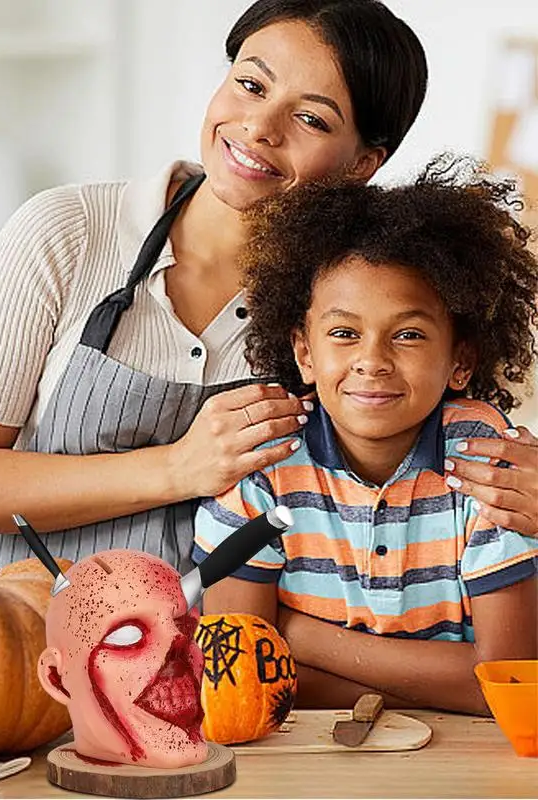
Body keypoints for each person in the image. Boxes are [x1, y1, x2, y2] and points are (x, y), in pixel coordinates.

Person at [0, 0, 538, 575]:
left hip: (246, 674)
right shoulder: (69, 235)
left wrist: (518, 477)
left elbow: (422, 448)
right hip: (41, 651)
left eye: (312, 119)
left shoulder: (346, 302)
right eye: (250, 84)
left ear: (362, 164)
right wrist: (179, 468)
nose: (260, 127)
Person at [193, 154, 538, 715]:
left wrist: (300, 637)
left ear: (461, 360)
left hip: (459, 765)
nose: (371, 361)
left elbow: (505, 685)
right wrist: (445, 686)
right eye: (343, 332)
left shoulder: (486, 461)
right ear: (305, 352)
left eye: (407, 334)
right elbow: (241, 680)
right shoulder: (264, 461)